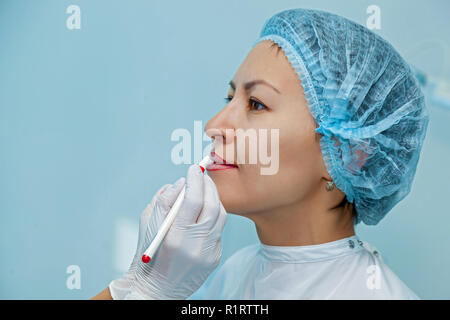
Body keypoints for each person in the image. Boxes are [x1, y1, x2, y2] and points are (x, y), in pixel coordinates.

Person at [92, 8, 428, 300]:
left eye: (256, 104)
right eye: (230, 99)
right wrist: (139, 286)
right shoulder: (238, 271)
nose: (213, 126)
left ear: (350, 154)